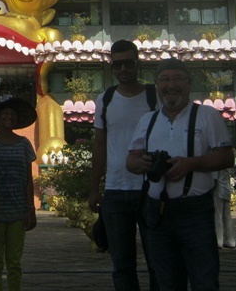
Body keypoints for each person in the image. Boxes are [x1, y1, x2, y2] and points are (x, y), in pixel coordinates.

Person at [126, 58, 234, 290]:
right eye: (164, 79)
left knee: (204, 279)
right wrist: (144, 162)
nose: (171, 85)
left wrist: (191, 164)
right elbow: (131, 161)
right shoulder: (148, 120)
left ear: (188, 83)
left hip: (195, 210)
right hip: (157, 211)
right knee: (165, 280)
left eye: (177, 79)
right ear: (156, 84)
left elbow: (226, 157)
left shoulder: (207, 115)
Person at [88, 39, 159, 291]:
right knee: (121, 264)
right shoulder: (105, 99)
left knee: (157, 261)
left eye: (128, 63)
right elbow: (99, 145)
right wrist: (95, 187)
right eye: (117, 64)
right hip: (116, 190)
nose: (123, 69)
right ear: (112, 66)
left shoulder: (154, 97)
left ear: (137, 63)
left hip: (151, 189)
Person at [0, 96, 38, 291]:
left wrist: (31, 208)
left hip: (18, 209)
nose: (9, 117)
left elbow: (28, 179)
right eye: (5, 113)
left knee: (14, 261)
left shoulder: (24, 143)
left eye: (12, 114)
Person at [211, 166, 236, 249]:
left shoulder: (216, 164)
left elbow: (214, 180)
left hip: (218, 191)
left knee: (218, 217)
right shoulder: (225, 165)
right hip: (226, 190)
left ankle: (219, 240)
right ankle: (231, 240)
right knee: (227, 217)